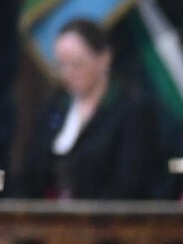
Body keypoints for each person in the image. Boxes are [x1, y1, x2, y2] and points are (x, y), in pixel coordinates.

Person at [12, 18, 172, 201]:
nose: (67, 73)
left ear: (104, 58)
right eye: (61, 65)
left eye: (76, 64)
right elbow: (29, 176)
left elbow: (131, 184)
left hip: (106, 222)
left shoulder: (133, 112)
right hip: (50, 221)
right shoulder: (54, 110)